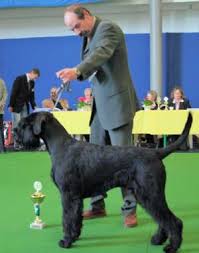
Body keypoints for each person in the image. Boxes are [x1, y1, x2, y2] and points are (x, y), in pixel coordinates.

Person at [56, 5, 139, 227]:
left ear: (87, 16)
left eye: (77, 26)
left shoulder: (107, 28)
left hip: (118, 105)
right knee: (92, 160)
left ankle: (129, 209)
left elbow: (101, 53)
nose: (76, 32)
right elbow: (94, 68)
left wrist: (77, 70)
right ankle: (97, 206)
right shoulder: (88, 35)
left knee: (125, 160)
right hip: (99, 108)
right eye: (72, 29)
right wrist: (76, 74)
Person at [8, 68, 40, 150]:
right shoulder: (20, 79)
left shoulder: (32, 83)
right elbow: (14, 92)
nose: (35, 79)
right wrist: (10, 105)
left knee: (24, 126)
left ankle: (23, 144)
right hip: (16, 106)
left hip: (25, 106)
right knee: (16, 125)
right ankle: (16, 144)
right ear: (32, 73)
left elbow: (32, 96)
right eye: (35, 77)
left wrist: (34, 106)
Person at [0, 78, 7, 153]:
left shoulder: (1, 81)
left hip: (0, 111)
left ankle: (1, 149)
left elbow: (5, 94)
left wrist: (2, 103)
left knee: (0, 130)